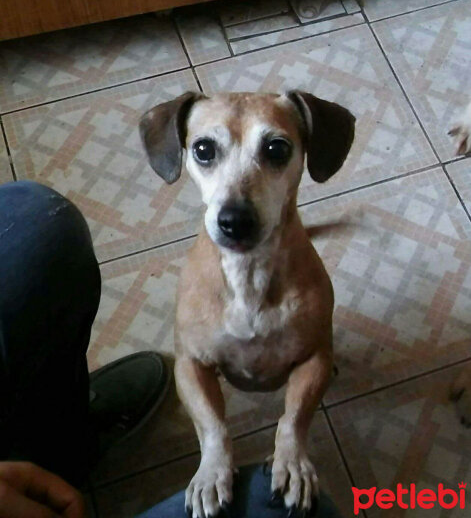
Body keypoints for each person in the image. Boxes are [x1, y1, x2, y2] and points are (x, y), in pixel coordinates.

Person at [0, 180, 343, 518]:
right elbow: (192, 361)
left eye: (274, 150)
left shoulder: (309, 290)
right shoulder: (199, 291)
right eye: (206, 151)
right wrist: (213, 443)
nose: (238, 198)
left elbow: (316, 354)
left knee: (41, 216)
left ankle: (61, 426)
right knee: (300, 512)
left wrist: (292, 432)